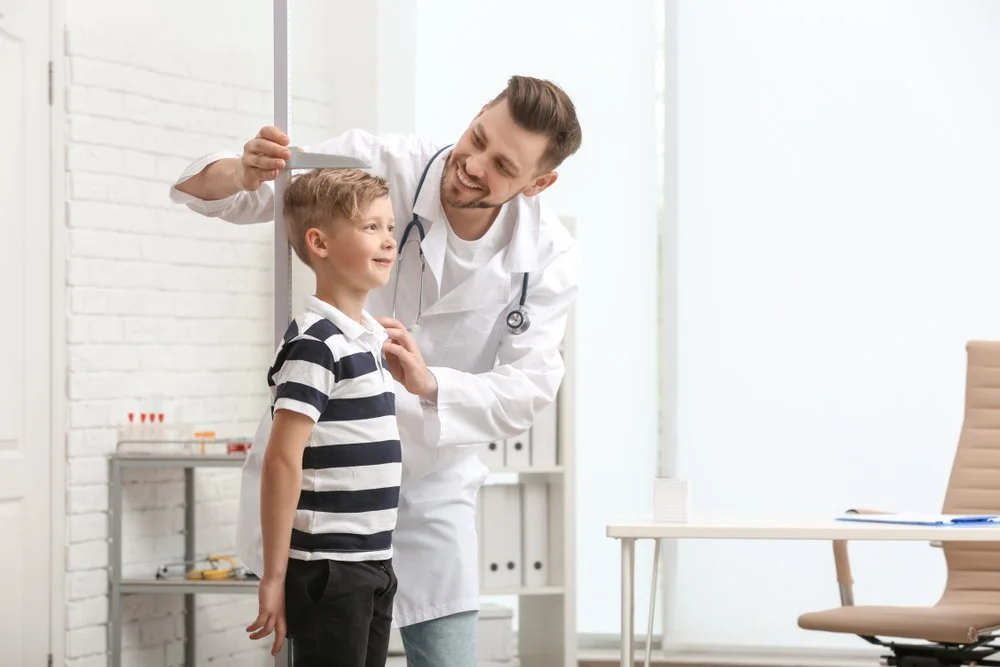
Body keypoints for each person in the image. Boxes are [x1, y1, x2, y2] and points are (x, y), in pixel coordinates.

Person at [170, 75, 583, 667]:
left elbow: (531, 387)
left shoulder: (549, 257)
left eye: (501, 166)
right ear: (476, 112)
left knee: (448, 657)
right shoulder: (382, 164)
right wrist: (243, 170)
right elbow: (214, 193)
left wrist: (430, 382)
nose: (472, 165)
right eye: (477, 137)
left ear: (539, 183)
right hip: (332, 491)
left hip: (432, 485)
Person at [244, 168, 405, 666]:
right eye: (371, 227)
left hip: (372, 562)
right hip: (329, 568)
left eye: (390, 228)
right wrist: (274, 577)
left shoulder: (367, 341)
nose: (388, 241)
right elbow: (282, 462)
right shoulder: (316, 346)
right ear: (320, 242)